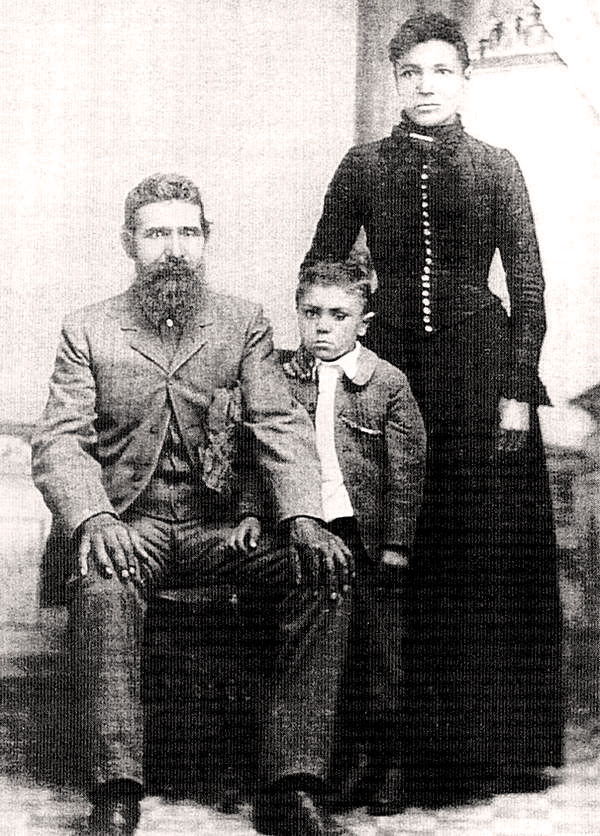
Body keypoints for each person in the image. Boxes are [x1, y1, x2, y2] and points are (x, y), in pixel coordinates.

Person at [31, 173, 356, 836]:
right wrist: (93, 517)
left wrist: (301, 517)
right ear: (130, 243)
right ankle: (116, 792)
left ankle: (292, 783)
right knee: (102, 583)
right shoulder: (88, 329)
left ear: (206, 239)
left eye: (186, 231)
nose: (173, 248)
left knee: (324, 573)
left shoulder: (242, 322)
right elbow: (59, 441)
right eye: (157, 233)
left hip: (219, 528)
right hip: (132, 524)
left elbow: (277, 422)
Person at [302, 13, 563, 800]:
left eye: (441, 71)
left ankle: (477, 752)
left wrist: (516, 394)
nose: (426, 86)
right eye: (412, 71)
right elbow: (320, 264)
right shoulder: (363, 165)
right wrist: (345, 341)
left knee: (471, 562)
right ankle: (381, 747)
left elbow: (531, 293)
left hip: (480, 378)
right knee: (388, 550)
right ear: (395, 78)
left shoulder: (496, 167)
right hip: (391, 375)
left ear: (464, 80)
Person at [230, 259, 426, 814]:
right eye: (310, 312)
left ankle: (385, 765)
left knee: (378, 654)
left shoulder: (386, 383)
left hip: (363, 535)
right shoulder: (277, 378)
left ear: (363, 322)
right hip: (299, 531)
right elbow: (255, 457)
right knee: (307, 648)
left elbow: (407, 471)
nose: (321, 326)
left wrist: (396, 544)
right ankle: (301, 771)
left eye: (337, 315)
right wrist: (250, 514)